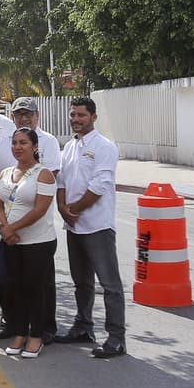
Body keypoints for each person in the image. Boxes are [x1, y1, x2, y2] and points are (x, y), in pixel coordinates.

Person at [55, 97, 126, 358]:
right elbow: (60, 181)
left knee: (110, 285)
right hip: (74, 227)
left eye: (81, 115)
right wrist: (63, 208)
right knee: (81, 282)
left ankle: (117, 338)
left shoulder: (105, 146)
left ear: (93, 117)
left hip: (97, 226)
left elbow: (100, 184)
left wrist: (74, 209)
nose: (76, 119)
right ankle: (83, 327)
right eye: (73, 115)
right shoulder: (70, 147)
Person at [0, 97, 62, 338]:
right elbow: (0, 179)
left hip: (35, 226)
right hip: (8, 223)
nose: (23, 118)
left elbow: (50, 177)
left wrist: (12, 226)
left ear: (37, 116)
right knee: (11, 280)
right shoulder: (6, 141)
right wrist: (5, 226)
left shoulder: (49, 142)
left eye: (28, 114)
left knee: (40, 282)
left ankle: (44, 329)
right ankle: (14, 323)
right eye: (18, 114)